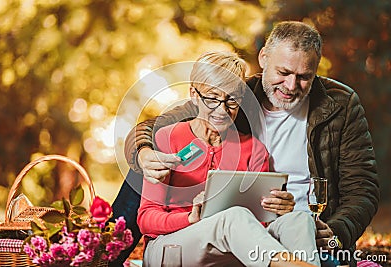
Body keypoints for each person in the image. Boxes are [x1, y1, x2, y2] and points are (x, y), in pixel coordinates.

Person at [113, 21, 379, 266]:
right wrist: (144, 152)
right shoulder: (231, 93)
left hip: (289, 233)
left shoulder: (339, 105)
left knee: (299, 220)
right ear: (263, 58)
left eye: (303, 77)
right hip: (197, 237)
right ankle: (106, 254)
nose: (290, 85)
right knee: (227, 213)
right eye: (283, 72)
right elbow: (153, 129)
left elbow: (362, 188)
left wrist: (334, 231)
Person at [138, 51, 320, 266]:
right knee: (232, 217)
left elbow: (259, 224)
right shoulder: (168, 137)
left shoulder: (254, 149)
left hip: (230, 249)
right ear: (194, 95)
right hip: (170, 247)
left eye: (231, 100)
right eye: (212, 98)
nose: (222, 110)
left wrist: (278, 210)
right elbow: (146, 219)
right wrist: (190, 218)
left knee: (298, 220)